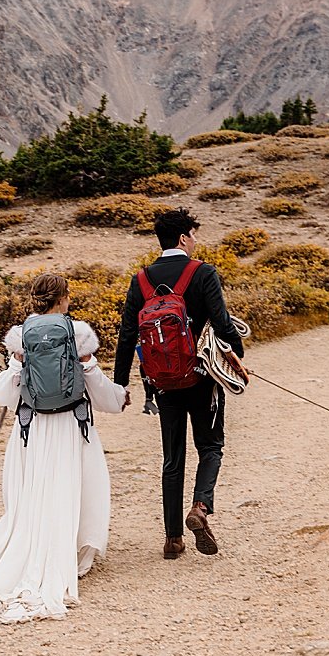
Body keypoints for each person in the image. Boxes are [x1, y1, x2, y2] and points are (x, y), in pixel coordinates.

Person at [0, 273, 126, 622]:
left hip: (31, 430)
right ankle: (72, 555)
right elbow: (96, 387)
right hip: (70, 427)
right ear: (63, 298)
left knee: (35, 495)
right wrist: (119, 398)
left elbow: (4, 394)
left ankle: (26, 553)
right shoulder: (78, 332)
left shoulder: (20, 336)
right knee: (75, 489)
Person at [114, 207, 246, 559]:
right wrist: (238, 355)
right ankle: (200, 508)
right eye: (194, 235)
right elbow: (221, 322)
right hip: (202, 377)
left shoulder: (140, 280)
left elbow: (127, 335)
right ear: (184, 237)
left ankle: (172, 539)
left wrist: (120, 383)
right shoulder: (202, 272)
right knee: (211, 446)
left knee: (172, 459)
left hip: (162, 381)